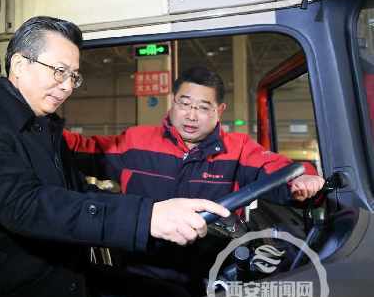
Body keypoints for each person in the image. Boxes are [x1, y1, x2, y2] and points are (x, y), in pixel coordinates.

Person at [0, 17, 230, 297]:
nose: (67, 86)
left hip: (63, 275)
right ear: (19, 64)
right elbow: (28, 206)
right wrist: (146, 218)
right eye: (58, 71)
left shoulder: (42, 128)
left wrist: (155, 211)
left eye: (73, 76)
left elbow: (79, 193)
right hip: (13, 295)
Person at [63, 66, 325, 280]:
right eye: (184, 103)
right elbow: (81, 149)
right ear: (173, 102)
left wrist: (303, 179)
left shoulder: (238, 149)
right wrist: (45, 123)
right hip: (140, 269)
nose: (191, 115)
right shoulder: (136, 141)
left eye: (203, 107)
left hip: (208, 272)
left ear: (219, 110)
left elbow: (278, 168)